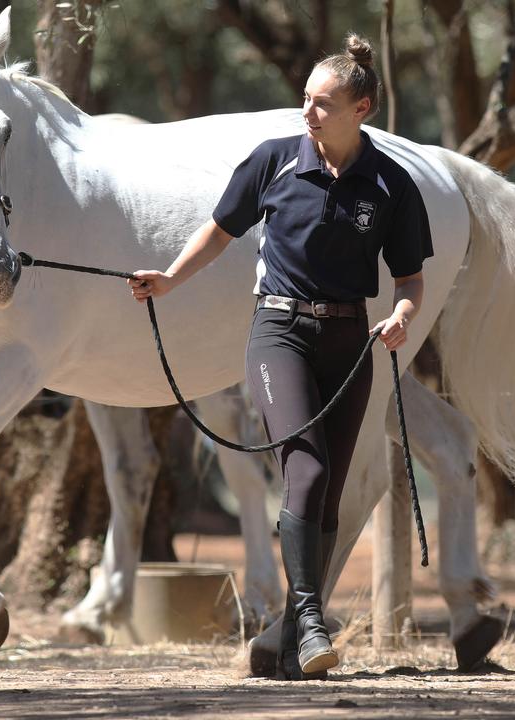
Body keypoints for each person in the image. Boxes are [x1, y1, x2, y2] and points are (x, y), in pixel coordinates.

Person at [129, 32, 431, 681]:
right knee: (310, 471)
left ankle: (285, 641)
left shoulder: (391, 184)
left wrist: (404, 315)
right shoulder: (271, 162)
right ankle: (312, 620)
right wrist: (170, 278)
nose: (309, 113)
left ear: (363, 108)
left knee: (325, 499)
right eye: (306, 100)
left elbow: (409, 280)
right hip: (278, 333)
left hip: (352, 342)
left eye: (324, 103)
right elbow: (220, 228)